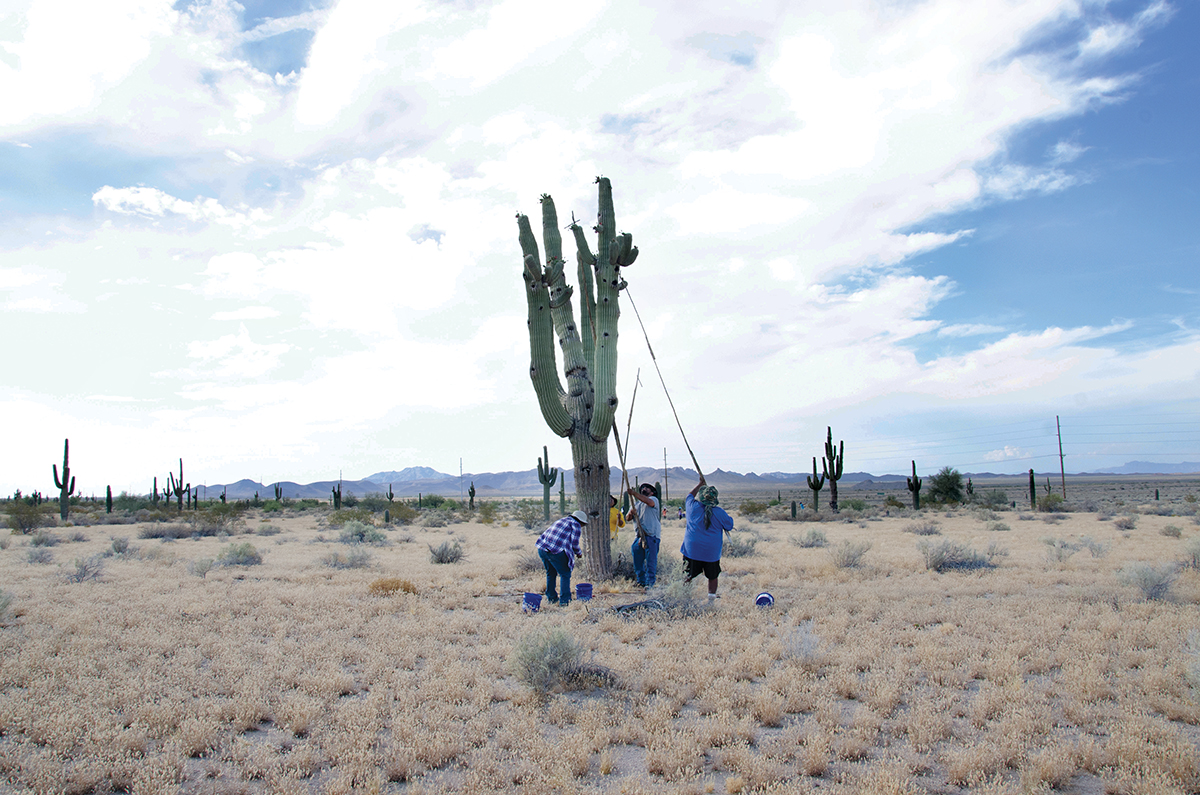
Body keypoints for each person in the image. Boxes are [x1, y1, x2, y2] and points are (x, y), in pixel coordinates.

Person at [681, 475, 733, 601]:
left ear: (701, 497)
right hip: (711, 552)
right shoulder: (719, 512)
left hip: (691, 549)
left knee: (687, 575)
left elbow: (689, 496)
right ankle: (711, 600)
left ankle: (684, 597)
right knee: (712, 576)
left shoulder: (692, 507)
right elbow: (729, 525)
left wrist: (699, 485)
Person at [535, 509, 587, 606]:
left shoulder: (562, 520)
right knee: (565, 574)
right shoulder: (576, 524)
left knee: (551, 573)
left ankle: (551, 598)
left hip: (542, 548)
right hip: (555, 551)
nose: (582, 526)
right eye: (583, 524)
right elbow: (575, 543)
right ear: (581, 521)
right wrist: (579, 553)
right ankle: (565, 601)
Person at [626, 483, 661, 588]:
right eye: (642, 488)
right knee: (637, 560)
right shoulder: (636, 504)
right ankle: (641, 582)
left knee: (651, 562)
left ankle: (650, 584)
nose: (644, 489)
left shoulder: (654, 500)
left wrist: (633, 493)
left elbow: (648, 502)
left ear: (652, 492)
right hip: (639, 536)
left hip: (651, 536)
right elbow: (627, 518)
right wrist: (631, 513)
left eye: (647, 488)